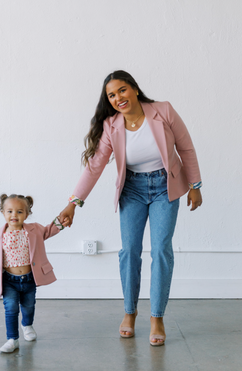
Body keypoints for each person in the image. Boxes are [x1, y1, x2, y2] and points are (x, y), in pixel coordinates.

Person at [60, 70, 202, 346]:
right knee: (129, 252)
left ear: (135, 89)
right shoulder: (112, 125)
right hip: (132, 190)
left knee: (161, 249)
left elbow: (186, 148)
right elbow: (96, 166)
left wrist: (195, 185)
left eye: (122, 90)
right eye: (111, 95)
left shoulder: (163, 111)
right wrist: (73, 204)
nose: (118, 98)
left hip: (166, 186)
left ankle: (157, 317)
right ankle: (129, 312)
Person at [0, 193, 64, 353]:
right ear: (3, 213)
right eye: (10, 211)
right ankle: (12, 339)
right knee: (11, 308)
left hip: (29, 279)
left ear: (27, 214)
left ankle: (27, 324)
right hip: (9, 281)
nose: (14, 215)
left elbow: (48, 231)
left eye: (20, 212)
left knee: (28, 306)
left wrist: (61, 221)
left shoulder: (34, 230)